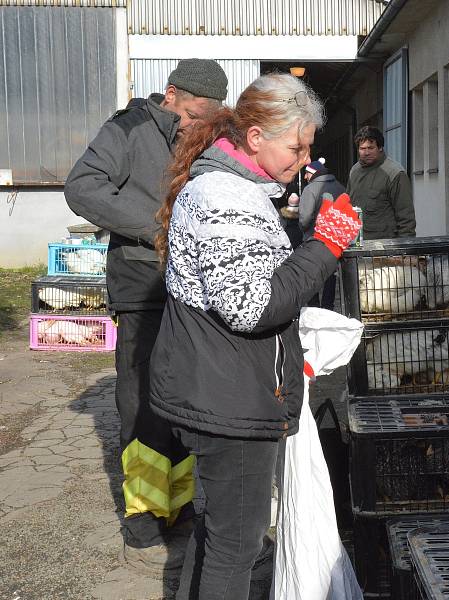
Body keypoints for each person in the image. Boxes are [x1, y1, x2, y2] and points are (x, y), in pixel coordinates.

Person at [148, 73, 361, 598]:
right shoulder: (226, 196)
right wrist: (325, 246)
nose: (304, 159)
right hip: (230, 401)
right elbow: (252, 305)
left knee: (218, 532)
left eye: (308, 146)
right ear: (256, 136)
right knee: (236, 548)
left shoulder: (232, 188)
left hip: (219, 387)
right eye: (297, 146)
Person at [64, 59, 228, 571]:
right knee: (139, 400)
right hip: (142, 284)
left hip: (190, 285)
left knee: (180, 396)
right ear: (172, 94)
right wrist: (157, 229)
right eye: (197, 111)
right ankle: (141, 516)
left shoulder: (200, 132)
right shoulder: (127, 129)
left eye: (210, 116)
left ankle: (175, 506)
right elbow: (83, 188)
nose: (201, 123)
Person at [346, 125, 415, 240]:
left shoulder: (395, 173)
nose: (366, 152)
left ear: (380, 148)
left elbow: (406, 218)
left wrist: (405, 250)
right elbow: (347, 204)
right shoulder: (354, 171)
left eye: (370, 148)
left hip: (384, 247)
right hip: (356, 243)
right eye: (362, 148)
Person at [299, 157, 346, 309]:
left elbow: (305, 218)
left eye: (306, 173)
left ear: (313, 173)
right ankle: (328, 307)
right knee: (330, 276)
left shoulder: (310, 189)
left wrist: (302, 229)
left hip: (314, 240)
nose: (305, 177)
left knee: (312, 274)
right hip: (334, 241)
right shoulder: (340, 187)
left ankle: (313, 307)